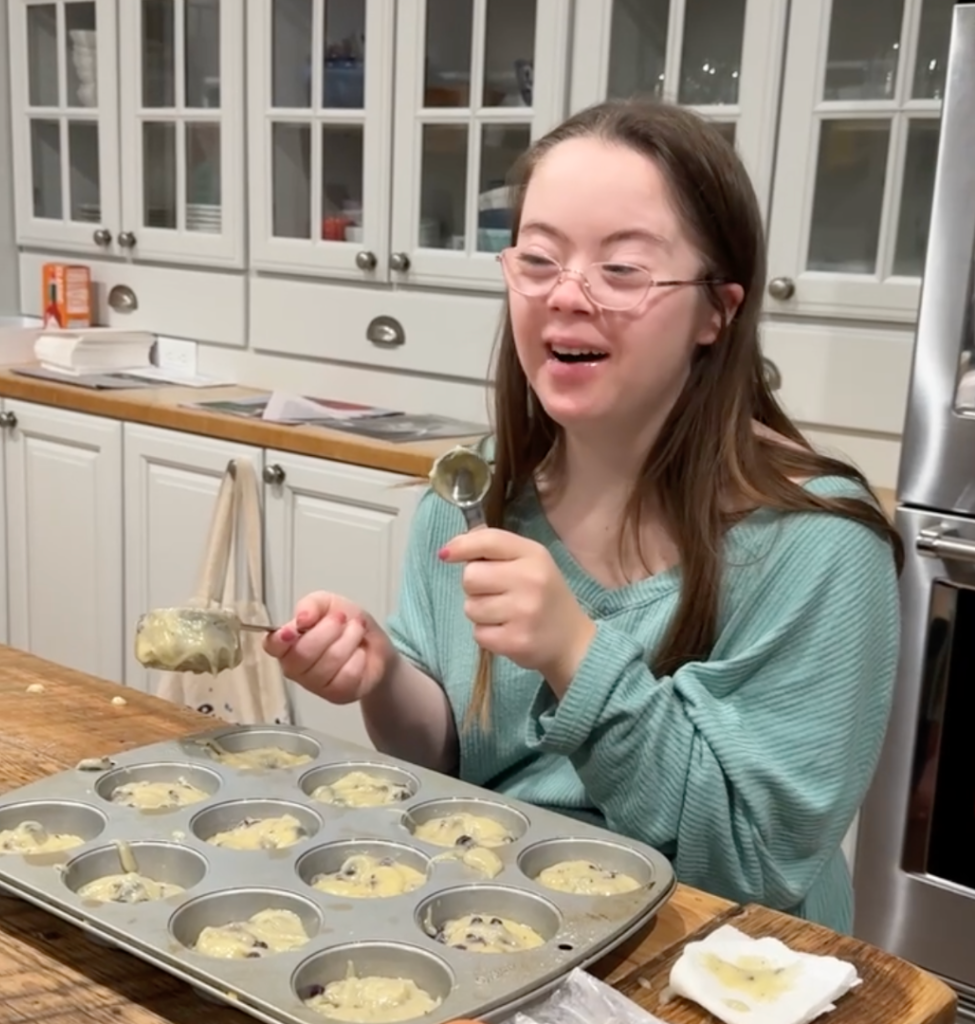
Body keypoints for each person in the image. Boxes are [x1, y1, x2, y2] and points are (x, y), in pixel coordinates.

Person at [263, 98, 902, 934]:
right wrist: (383, 673)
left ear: (717, 310)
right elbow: (447, 759)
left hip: (718, 963)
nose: (567, 296)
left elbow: (753, 863)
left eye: (624, 270)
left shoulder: (819, 547)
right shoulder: (474, 492)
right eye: (539, 259)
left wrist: (577, 653)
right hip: (499, 926)